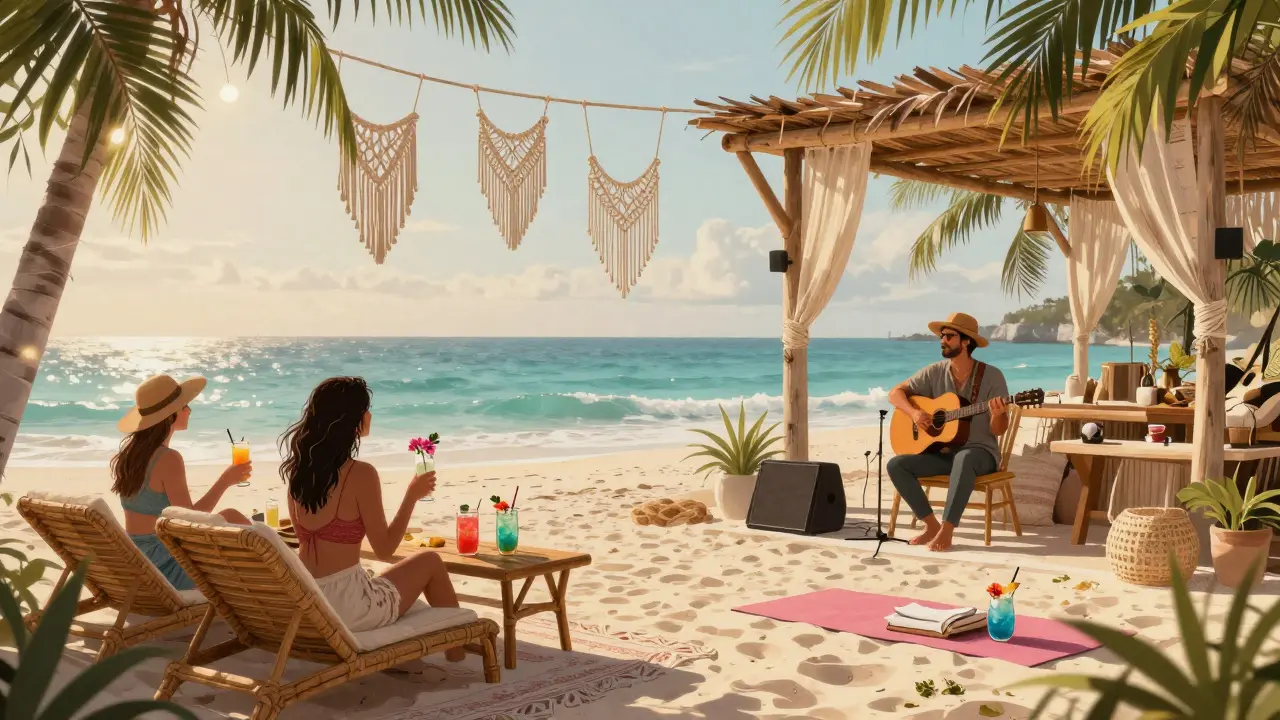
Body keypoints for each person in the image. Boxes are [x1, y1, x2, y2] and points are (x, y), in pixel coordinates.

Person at [280, 376, 463, 660]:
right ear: (353, 420)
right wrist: (411, 496)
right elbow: (385, 549)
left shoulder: (298, 473)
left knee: (389, 582)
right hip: (348, 607)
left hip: (308, 601)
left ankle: (452, 651)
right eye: (366, 409)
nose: (370, 415)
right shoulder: (361, 474)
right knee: (430, 561)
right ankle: (457, 656)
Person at [112, 374, 252, 590]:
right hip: (165, 566)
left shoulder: (129, 455)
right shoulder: (168, 458)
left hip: (137, 560)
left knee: (230, 519)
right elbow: (190, 522)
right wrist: (225, 480)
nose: (189, 410)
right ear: (170, 416)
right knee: (233, 517)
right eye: (184, 406)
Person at [886, 313, 1009, 552]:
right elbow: (895, 394)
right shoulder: (934, 372)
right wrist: (914, 414)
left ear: (965, 342)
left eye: (949, 336)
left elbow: (999, 430)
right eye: (942, 336)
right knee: (896, 465)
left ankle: (947, 530)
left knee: (965, 457)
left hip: (980, 454)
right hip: (943, 454)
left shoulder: (992, 376)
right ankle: (930, 525)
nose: (942, 340)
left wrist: (997, 414)